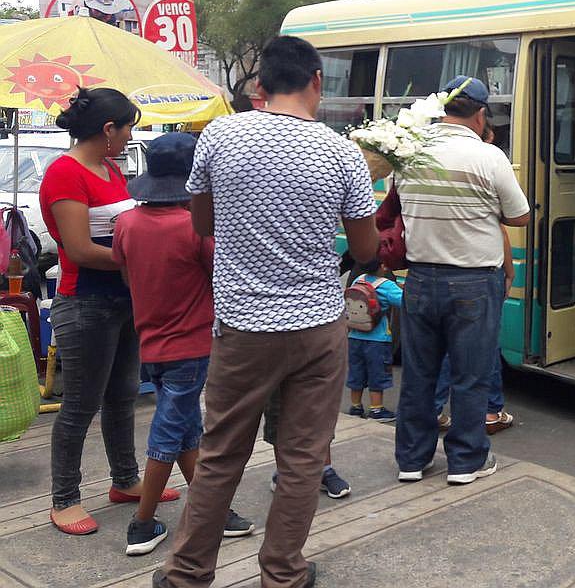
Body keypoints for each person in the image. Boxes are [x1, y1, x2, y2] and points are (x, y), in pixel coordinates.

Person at [154, 36, 378, 588]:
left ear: (259, 86)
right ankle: (282, 573)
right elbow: (368, 250)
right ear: (317, 82)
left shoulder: (220, 136)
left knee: (222, 453)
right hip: (319, 327)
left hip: (244, 329)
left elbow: (202, 224)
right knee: (303, 457)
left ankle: (186, 575)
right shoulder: (342, 151)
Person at [112, 132, 254, 556]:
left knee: (188, 430)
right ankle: (142, 524)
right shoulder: (195, 229)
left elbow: (126, 276)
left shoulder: (127, 223)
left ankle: (214, 511)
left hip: (150, 343)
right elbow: (223, 281)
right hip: (190, 348)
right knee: (168, 433)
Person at [40, 87, 166, 536]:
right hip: (85, 301)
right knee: (79, 404)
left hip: (125, 298)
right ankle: (65, 498)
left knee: (123, 395)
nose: (131, 135)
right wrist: (144, 256)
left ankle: (126, 480)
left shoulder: (111, 168)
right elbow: (78, 249)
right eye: (128, 127)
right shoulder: (64, 174)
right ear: (108, 129)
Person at [395, 75, 530, 486]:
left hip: (418, 279)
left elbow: (401, 203)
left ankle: (412, 461)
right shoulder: (489, 157)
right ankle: (466, 462)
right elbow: (520, 215)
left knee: (419, 375)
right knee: (470, 376)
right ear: (480, 113)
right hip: (472, 283)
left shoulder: (411, 151)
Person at [432, 121, 517, 436]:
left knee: (441, 347)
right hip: (478, 274)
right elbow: (505, 227)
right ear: (488, 135)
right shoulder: (488, 164)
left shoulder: (437, 165)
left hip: (435, 272)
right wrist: (509, 271)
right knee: (485, 344)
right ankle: (491, 411)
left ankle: (435, 410)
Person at [347, 262, 403, 423]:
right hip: (378, 339)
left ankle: (355, 407)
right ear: (383, 266)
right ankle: (376, 409)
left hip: (354, 336)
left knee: (356, 372)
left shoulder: (358, 280)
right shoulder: (387, 285)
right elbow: (403, 302)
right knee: (377, 373)